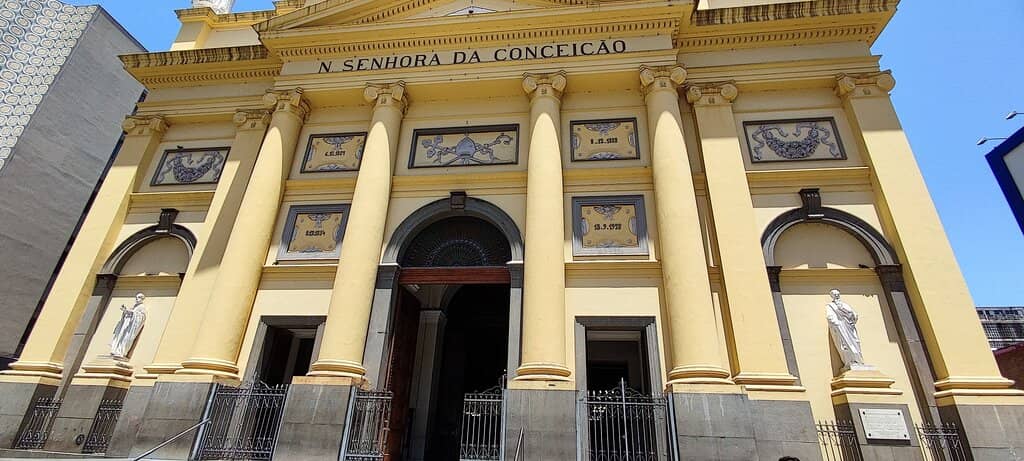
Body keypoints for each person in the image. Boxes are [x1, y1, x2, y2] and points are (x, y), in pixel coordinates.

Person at [825, 288, 865, 369]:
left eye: (837, 294)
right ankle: (850, 361)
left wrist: (854, 316)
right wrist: (836, 323)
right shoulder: (830, 306)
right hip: (841, 327)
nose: (836, 295)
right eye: (835, 294)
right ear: (832, 296)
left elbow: (853, 314)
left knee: (856, 342)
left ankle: (858, 360)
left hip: (850, 327)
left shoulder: (845, 305)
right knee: (845, 344)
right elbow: (830, 316)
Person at [111, 293, 147, 359]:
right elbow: (131, 313)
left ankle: (122, 352)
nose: (137, 299)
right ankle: (117, 351)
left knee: (127, 339)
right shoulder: (135, 306)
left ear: (142, 299)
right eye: (136, 297)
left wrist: (131, 312)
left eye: (139, 297)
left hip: (131, 329)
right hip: (127, 327)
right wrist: (125, 311)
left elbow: (141, 317)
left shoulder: (142, 307)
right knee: (121, 337)